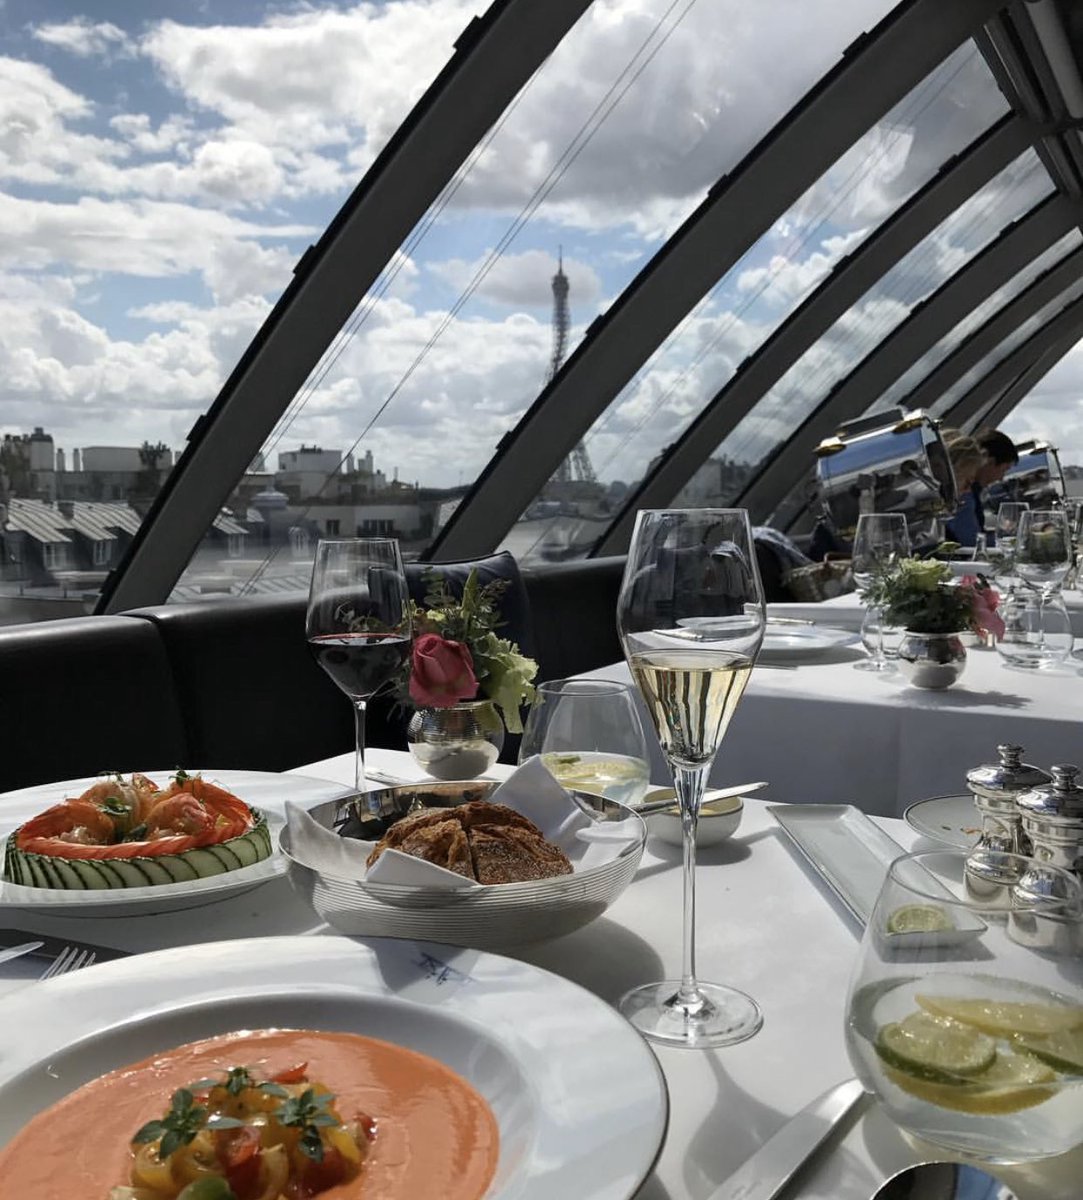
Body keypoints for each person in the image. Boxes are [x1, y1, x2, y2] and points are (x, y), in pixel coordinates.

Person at [944, 427, 1018, 547]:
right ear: (990, 462)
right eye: (1003, 470)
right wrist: (1015, 540)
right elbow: (969, 540)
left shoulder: (971, 493)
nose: (1001, 478)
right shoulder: (964, 495)